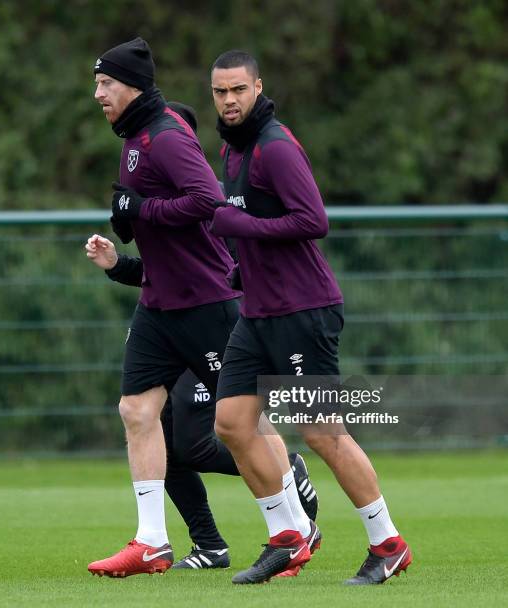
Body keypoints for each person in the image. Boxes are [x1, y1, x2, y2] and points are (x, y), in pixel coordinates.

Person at [86, 39, 315, 578]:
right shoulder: (133, 136)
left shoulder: (166, 134)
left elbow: (204, 202)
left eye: (105, 84)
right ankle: (151, 542)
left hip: (206, 302)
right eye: (97, 84)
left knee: (242, 425)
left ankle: (296, 530)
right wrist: (128, 227)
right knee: (136, 411)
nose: (97, 94)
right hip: (159, 306)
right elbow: (152, 211)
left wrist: (141, 207)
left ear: (131, 86)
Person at [208, 50, 412, 585]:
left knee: (322, 432)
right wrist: (239, 267)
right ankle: (290, 538)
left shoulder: (274, 147)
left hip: (304, 311)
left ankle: (387, 543)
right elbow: (250, 221)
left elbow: (312, 220)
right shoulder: (233, 151)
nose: (228, 100)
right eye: (219, 92)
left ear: (257, 87)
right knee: (231, 423)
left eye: (237, 90)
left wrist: (239, 225)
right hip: (258, 311)